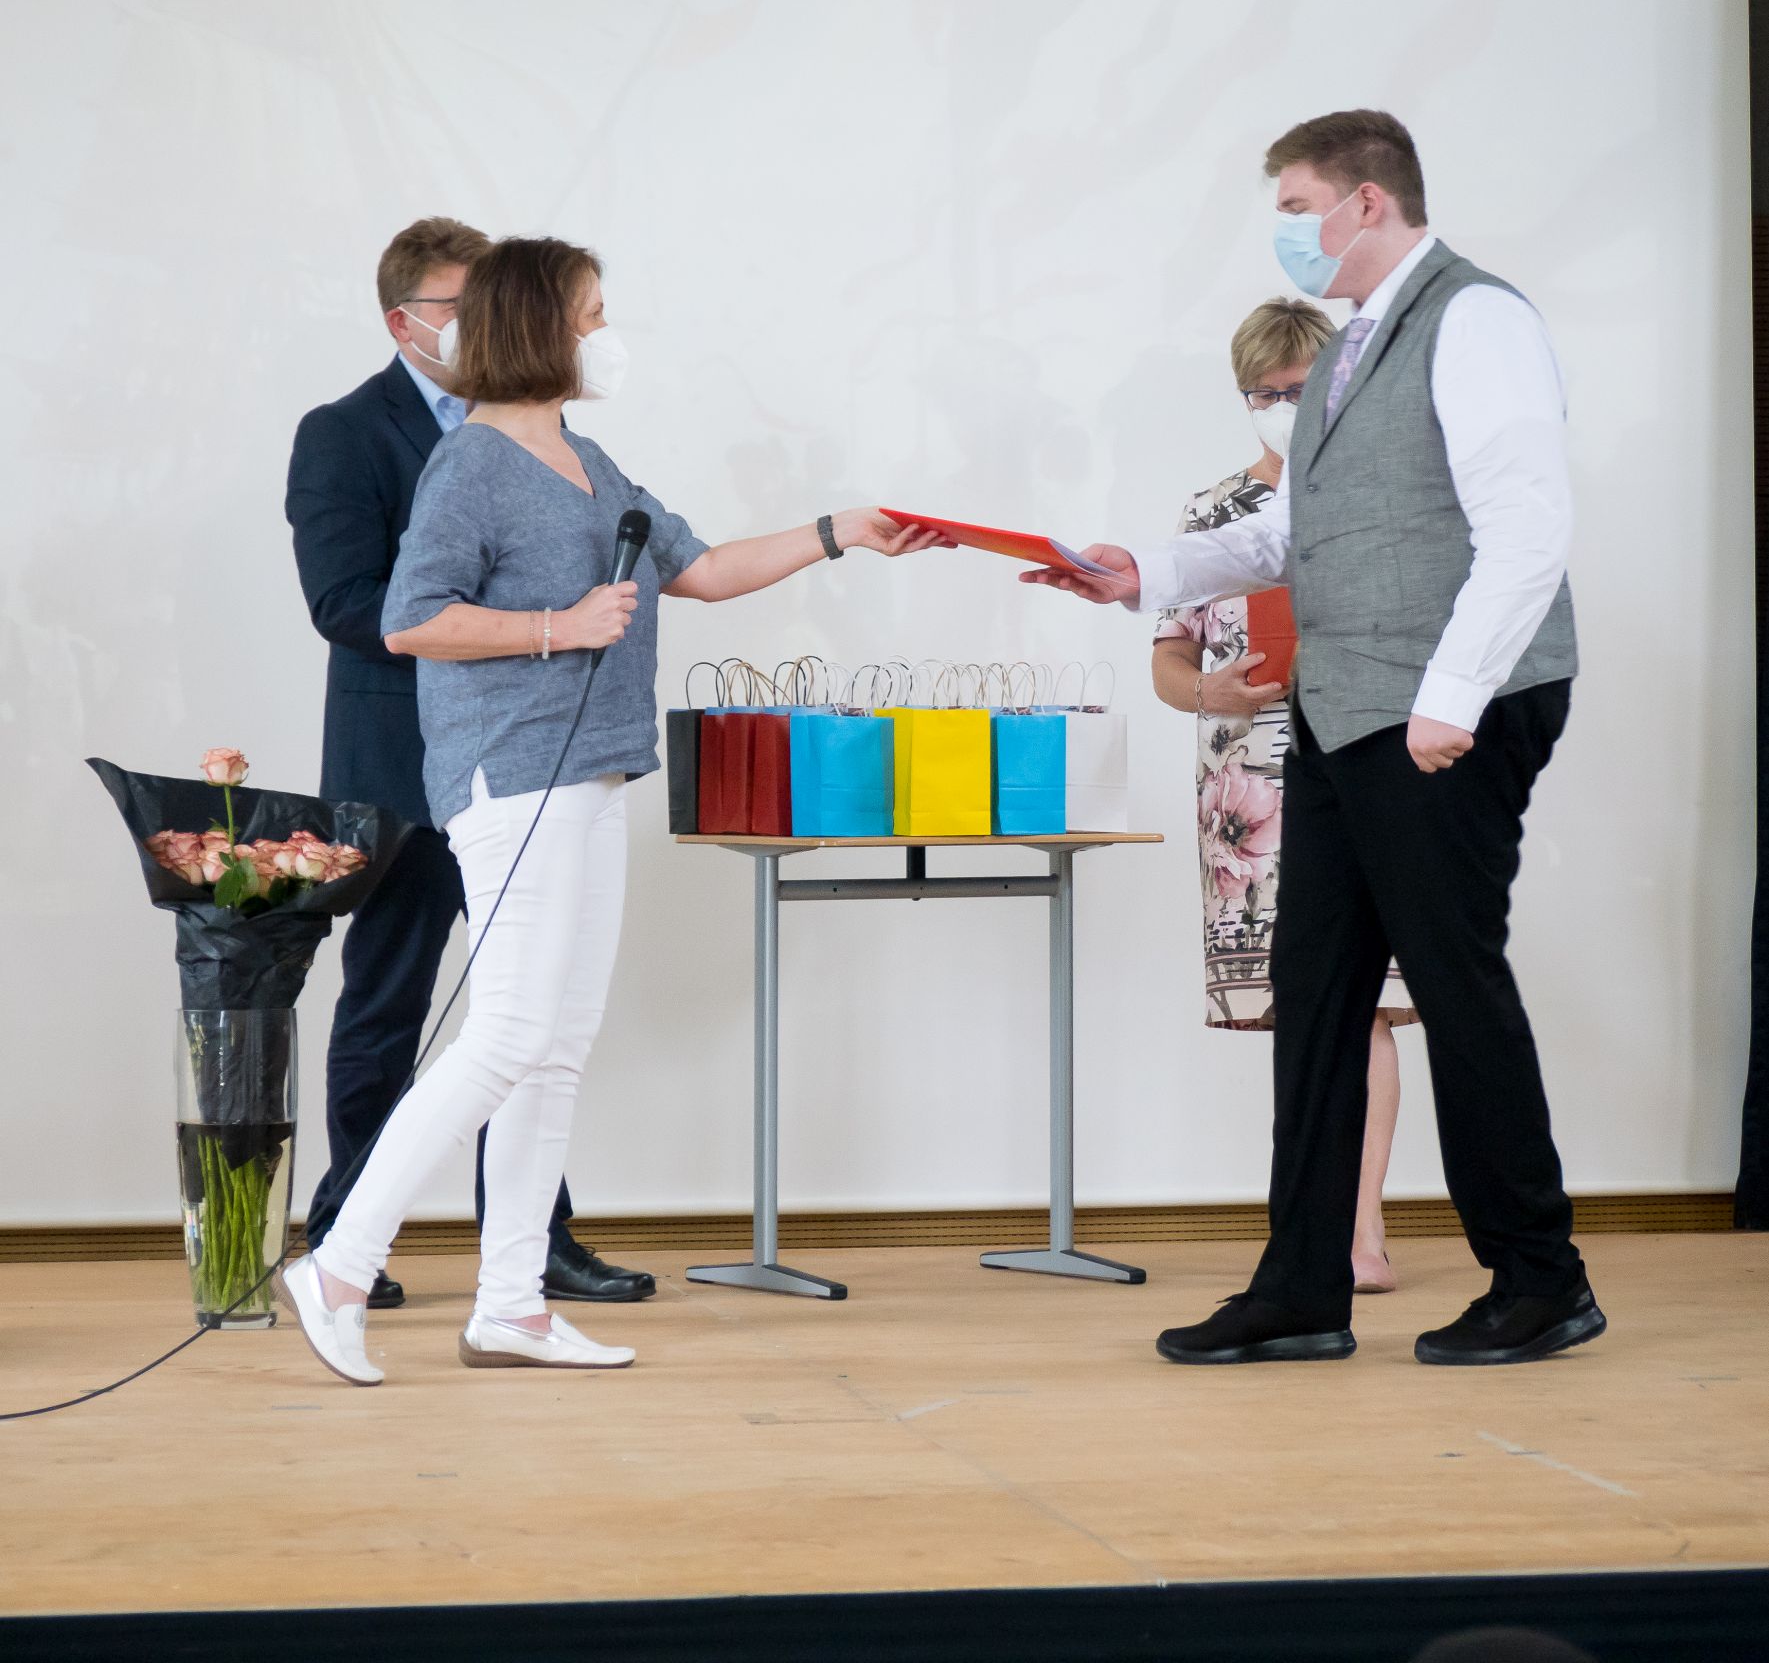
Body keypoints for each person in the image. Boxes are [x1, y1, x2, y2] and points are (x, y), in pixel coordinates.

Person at [277, 234, 943, 1384]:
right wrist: (557, 627)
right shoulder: (471, 464)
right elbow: (407, 616)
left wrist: (840, 530)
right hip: (511, 778)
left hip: (592, 773)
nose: (602, 334)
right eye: (590, 315)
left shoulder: (585, 457)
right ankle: (337, 1266)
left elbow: (702, 568)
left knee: (555, 1045)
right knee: (506, 1037)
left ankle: (512, 1304)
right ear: (541, 324)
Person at [1027, 110, 1603, 1368]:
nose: (1283, 229)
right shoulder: (1347, 347)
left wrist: (1450, 696)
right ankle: (1300, 1284)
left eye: (1294, 205)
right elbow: (1294, 533)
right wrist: (1142, 573)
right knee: (1315, 989)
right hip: (1345, 707)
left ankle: (1539, 1276)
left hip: (1440, 708)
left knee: (1450, 976)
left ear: (1363, 201)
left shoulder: (1474, 319)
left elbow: (1526, 525)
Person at [286, 218, 652, 1309]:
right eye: (460, 305)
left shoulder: (554, 437)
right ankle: (347, 1232)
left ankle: (529, 1248)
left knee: (530, 1012)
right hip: (402, 757)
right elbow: (351, 605)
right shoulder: (347, 432)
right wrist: (514, 625)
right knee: (392, 999)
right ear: (406, 322)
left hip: (538, 754)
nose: (485, 321)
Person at [1153, 296, 1418, 1295]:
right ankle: (1304, 1230)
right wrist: (1207, 690)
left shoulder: (1385, 493)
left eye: (1296, 388)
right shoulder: (1210, 511)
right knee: (1296, 1010)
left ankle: (1360, 1229)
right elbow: (1168, 662)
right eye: (1259, 391)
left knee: (1364, 1004)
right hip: (1245, 785)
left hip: (1357, 763)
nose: (1277, 405)